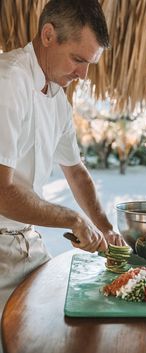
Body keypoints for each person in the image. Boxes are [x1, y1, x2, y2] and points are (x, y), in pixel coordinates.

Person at [0, 0, 125, 350]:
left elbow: (76, 171)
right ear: (48, 35)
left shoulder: (55, 95)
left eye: (90, 64)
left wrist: (105, 228)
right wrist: (74, 220)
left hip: (25, 242)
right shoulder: (10, 81)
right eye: (78, 60)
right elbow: (1, 192)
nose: (84, 75)